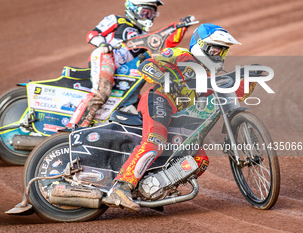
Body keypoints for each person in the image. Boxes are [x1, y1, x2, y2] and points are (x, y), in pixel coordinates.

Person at [103, 23, 256, 212]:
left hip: (178, 116)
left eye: (223, 51)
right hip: (159, 100)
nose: (219, 54)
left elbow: (234, 91)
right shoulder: (182, 55)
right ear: (201, 45)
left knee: (200, 161)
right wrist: (164, 79)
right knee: (155, 142)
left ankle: (154, 189)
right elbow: (147, 65)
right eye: (215, 49)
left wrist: (249, 78)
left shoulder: (209, 76)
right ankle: (121, 187)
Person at [79, 0, 195, 127]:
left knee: (135, 101)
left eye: (151, 13)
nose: (148, 17)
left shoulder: (143, 34)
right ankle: (78, 124)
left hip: (123, 70)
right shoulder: (116, 20)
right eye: (144, 12)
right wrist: (103, 44)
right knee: (103, 89)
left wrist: (181, 27)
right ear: (132, 8)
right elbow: (92, 34)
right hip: (106, 57)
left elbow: (163, 42)